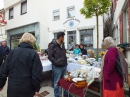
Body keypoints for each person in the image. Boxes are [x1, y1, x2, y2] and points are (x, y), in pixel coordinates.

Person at [0, 33, 43, 97]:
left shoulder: (12, 52)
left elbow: (3, 70)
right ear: (32, 42)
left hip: (13, 87)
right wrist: (37, 88)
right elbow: (36, 73)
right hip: (27, 88)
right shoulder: (33, 54)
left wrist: (1, 84)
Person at [48, 32, 67, 97]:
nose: (64, 39)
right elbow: (50, 56)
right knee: (56, 82)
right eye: (63, 37)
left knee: (64, 81)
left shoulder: (63, 44)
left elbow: (64, 53)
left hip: (64, 65)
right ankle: (57, 95)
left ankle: (65, 94)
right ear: (61, 37)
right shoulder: (53, 45)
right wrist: (57, 62)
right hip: (57, 67)